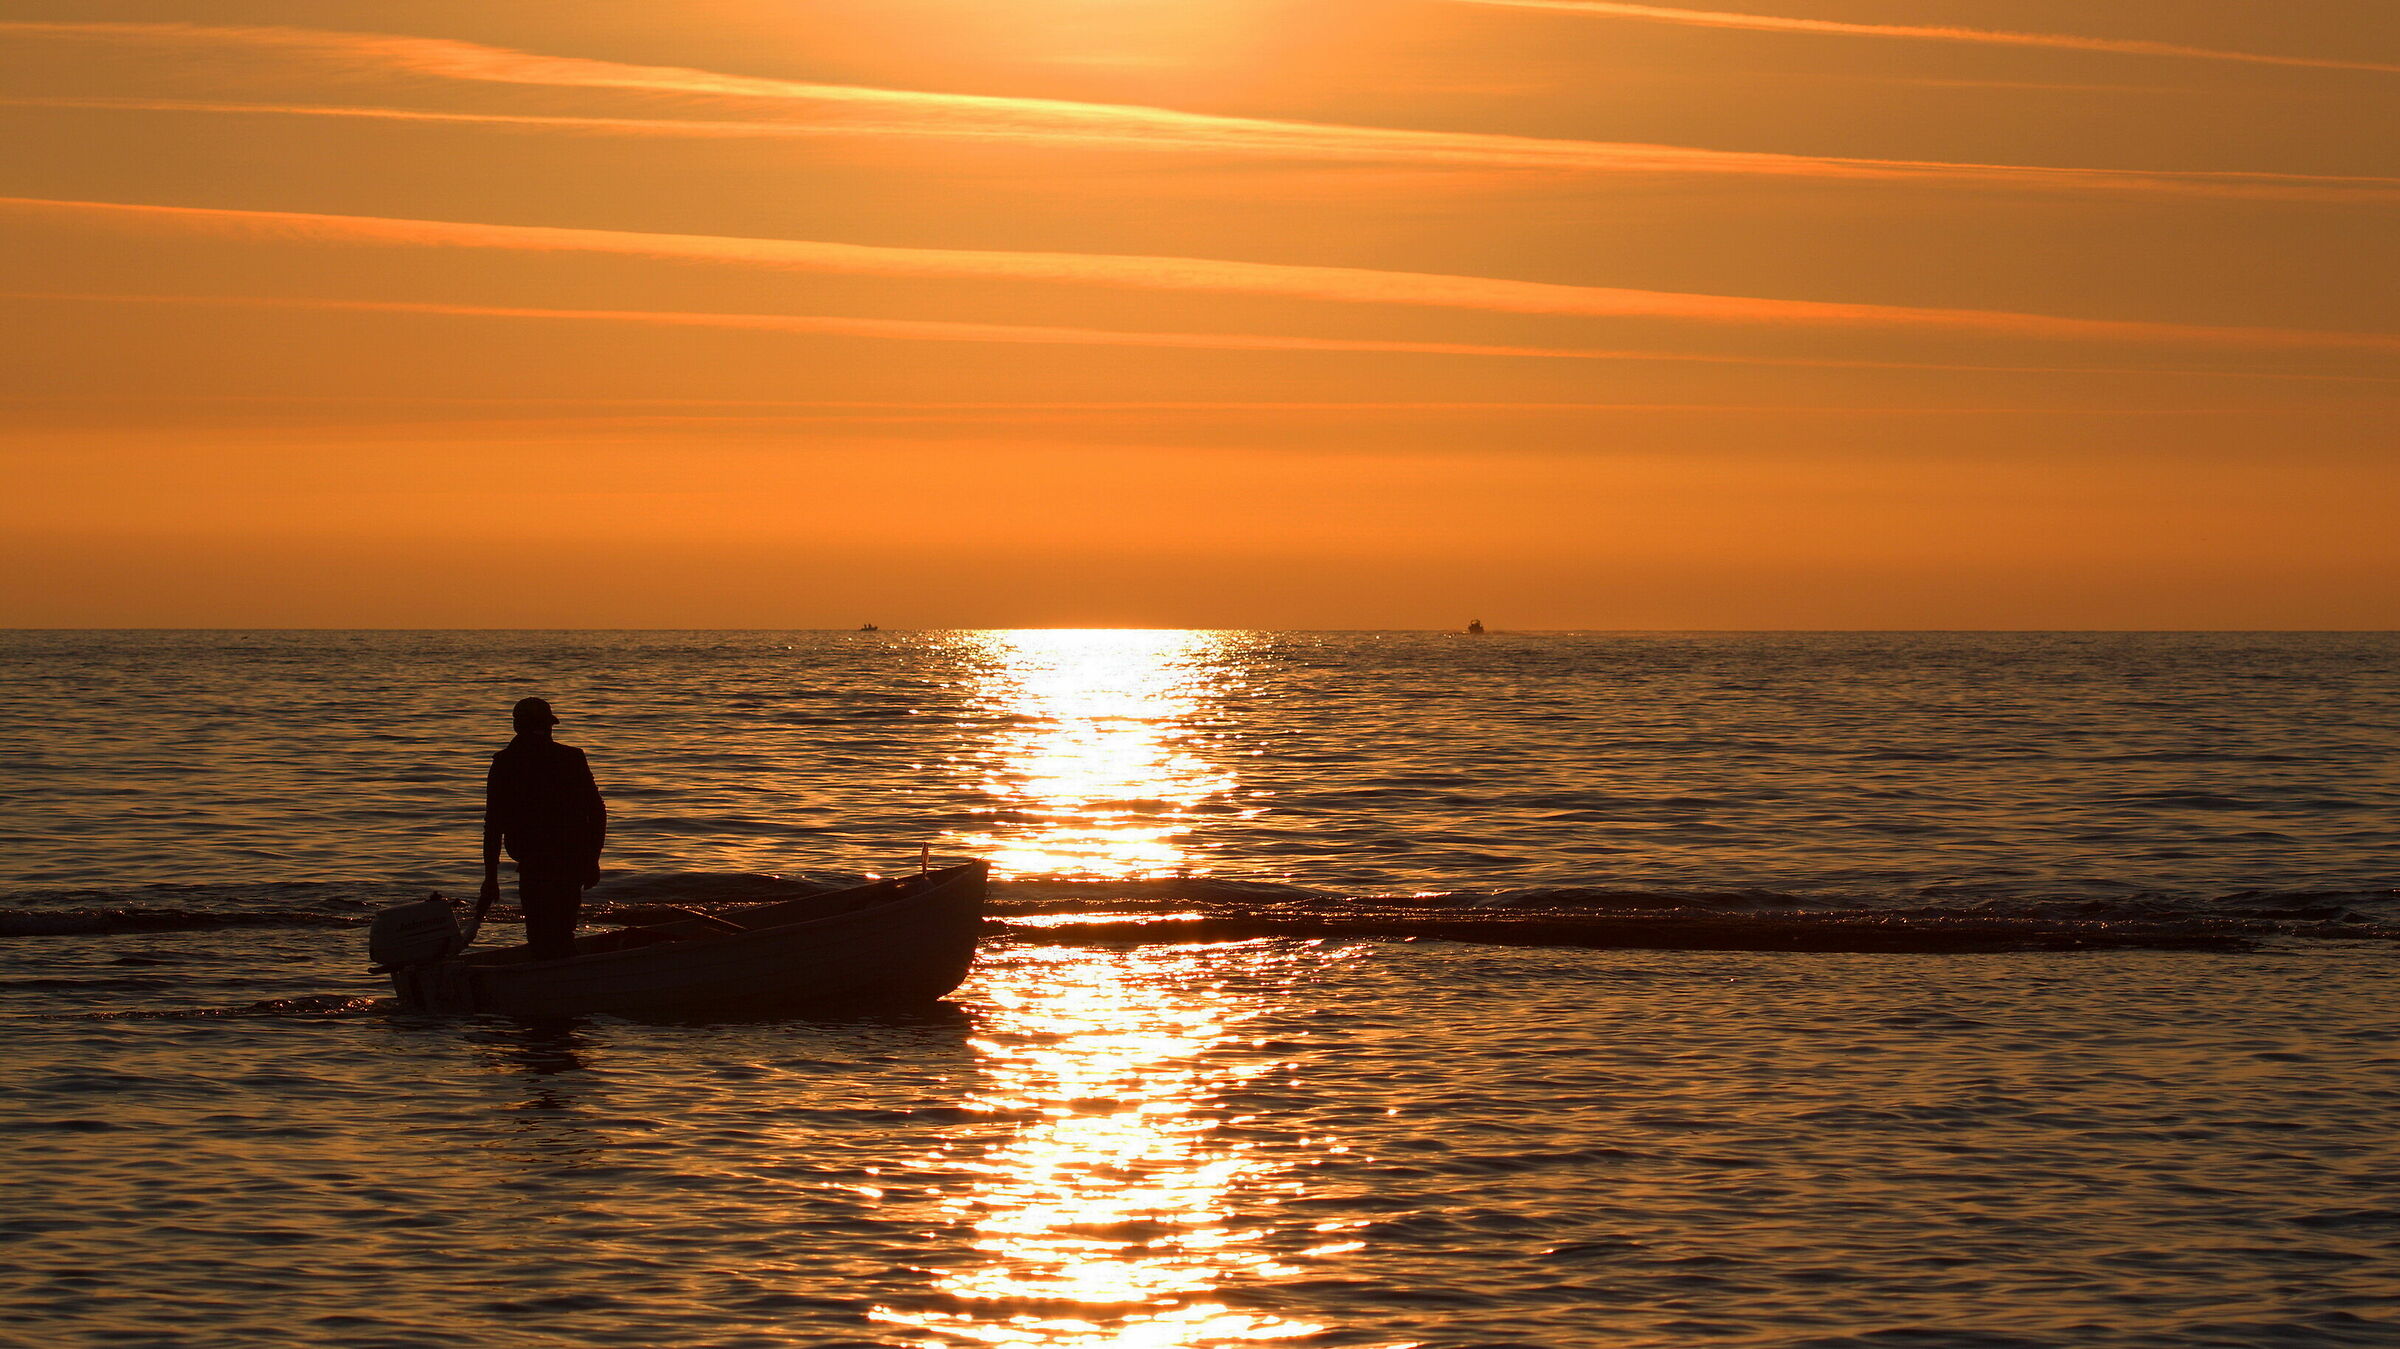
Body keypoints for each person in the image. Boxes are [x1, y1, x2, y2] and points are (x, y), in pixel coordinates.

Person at [482, 697, 607, 960]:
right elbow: (596, 813)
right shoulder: (570, 758)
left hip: (540, 864)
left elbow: (493, 827)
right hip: (566, 862)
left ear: (517, 727)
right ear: (548, 727)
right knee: (560, 934)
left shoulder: (505, 763)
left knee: (542, 936)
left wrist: (491, 878)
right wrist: (592, 860)